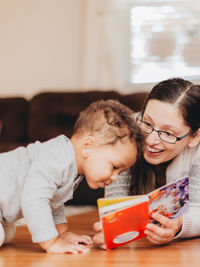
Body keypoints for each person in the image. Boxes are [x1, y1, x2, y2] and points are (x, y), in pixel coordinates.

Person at [0, 99, 143, 254]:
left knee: (7, 234)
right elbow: (34, 198)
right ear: (88, 147)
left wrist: (62, 233)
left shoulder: (68, 164)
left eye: (120, 172)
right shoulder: (57, 158)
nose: (115, 177)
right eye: (114, 167)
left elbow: (53, 200)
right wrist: (51, 242)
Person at [93, 77, 200, 249]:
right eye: (147, 123)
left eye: (168, 133)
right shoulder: (126, 131)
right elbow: (115, 205)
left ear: (195, 137)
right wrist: (111, 225)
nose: (150, 140)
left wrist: (179, 224)